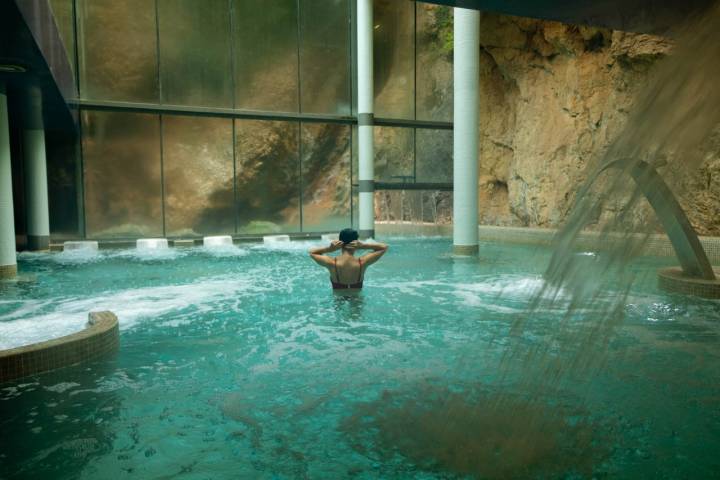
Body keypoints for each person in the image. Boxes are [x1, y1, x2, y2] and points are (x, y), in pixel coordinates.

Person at [309, 228, 389, 291]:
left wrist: (329, 249)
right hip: (357, 299)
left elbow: (312, 252)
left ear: (340, 241)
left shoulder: (332, 263)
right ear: (356, 242)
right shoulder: (363, 262)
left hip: (338, 299)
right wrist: (364, 245)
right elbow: (384, 247)